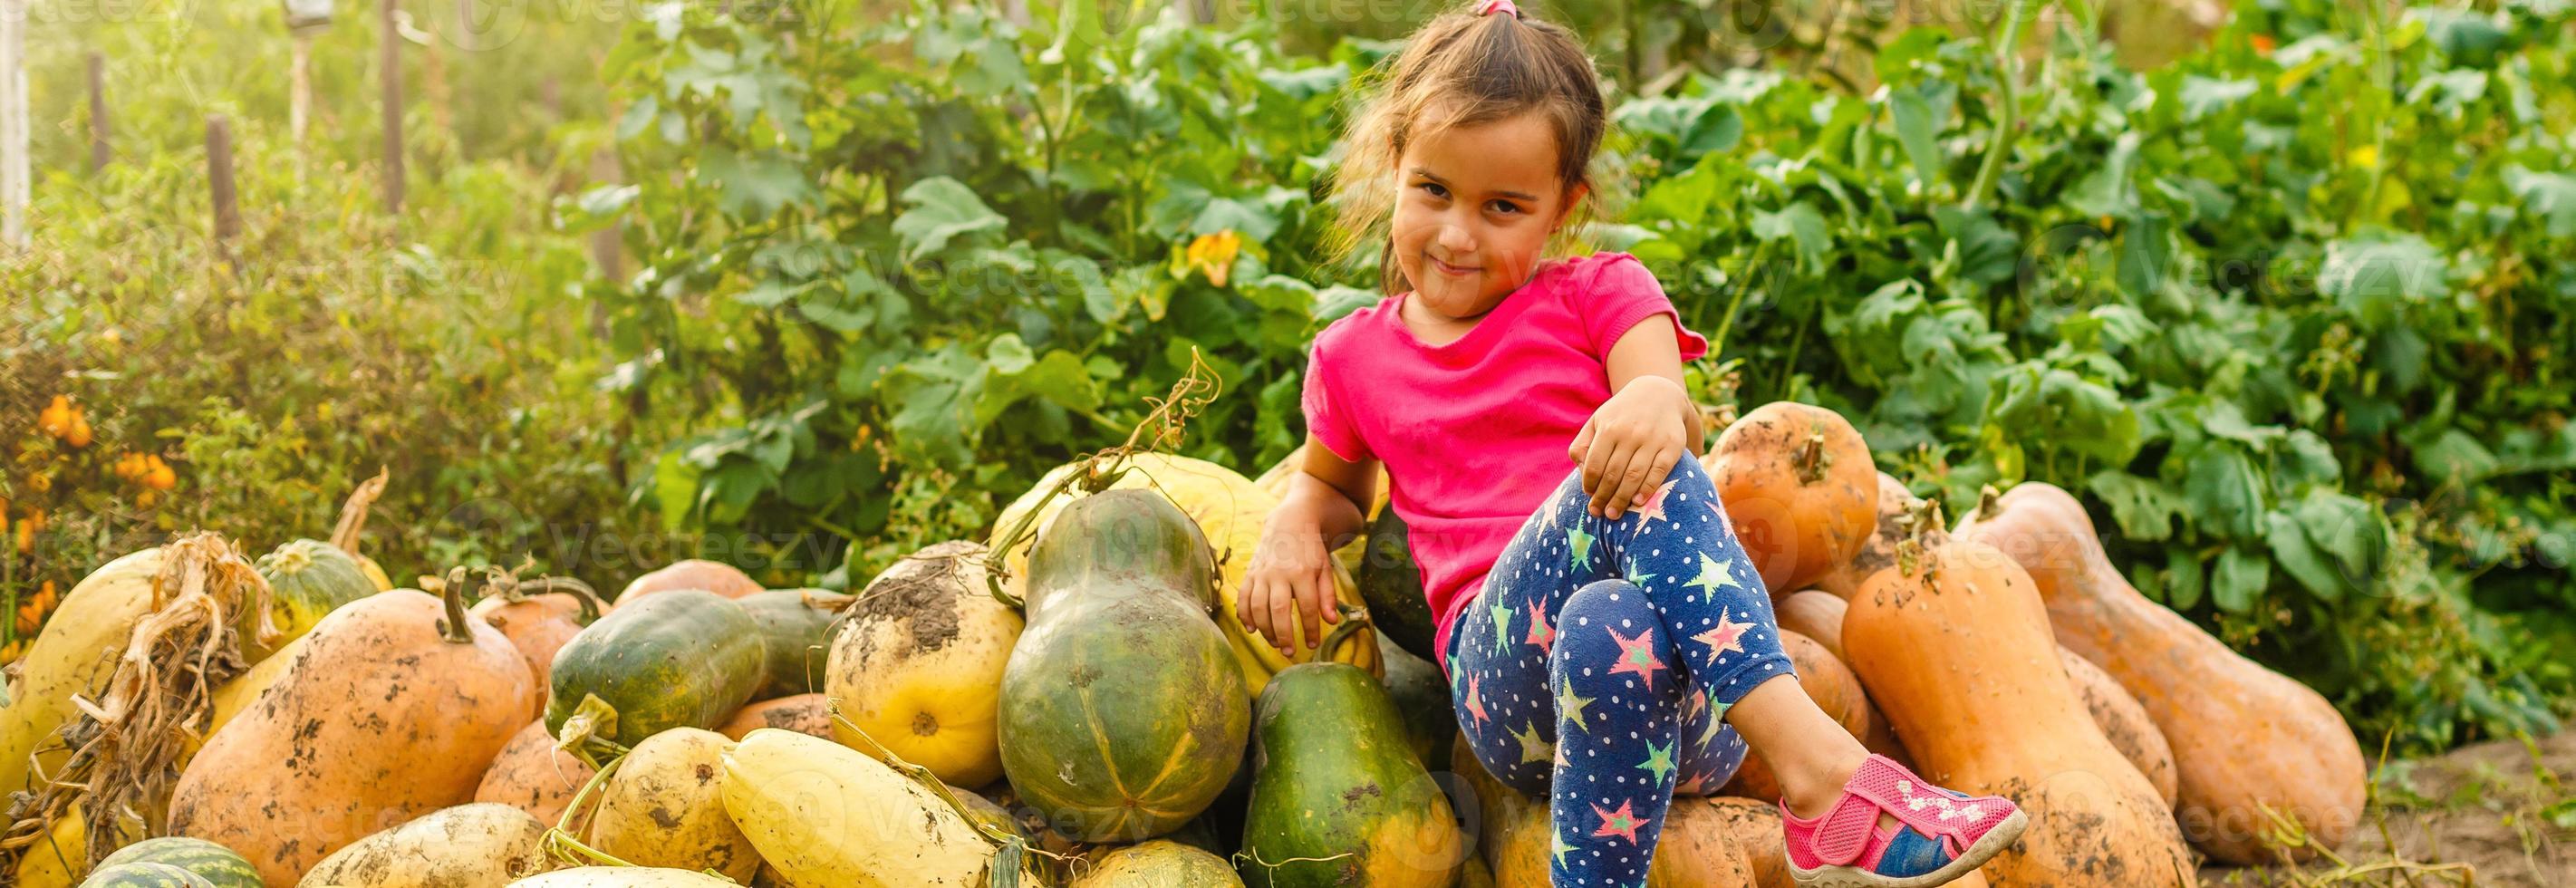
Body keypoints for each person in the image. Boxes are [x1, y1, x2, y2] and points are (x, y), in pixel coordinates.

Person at [1236, 2, 2028, 884]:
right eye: (1432, 191)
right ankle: (1822, 773)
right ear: (1394, 165)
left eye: (1502, 206)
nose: (1457, 233)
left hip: (1692, 707)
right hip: (1509, 690)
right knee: (1609, 538)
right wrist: (1294, 523)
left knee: (1622, 552)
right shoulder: (1352, 355)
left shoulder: (1602, 292)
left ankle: (1803, 775)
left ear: (1563, 207)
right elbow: (1334, 487)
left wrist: (1655, 396)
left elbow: (1660, 398)